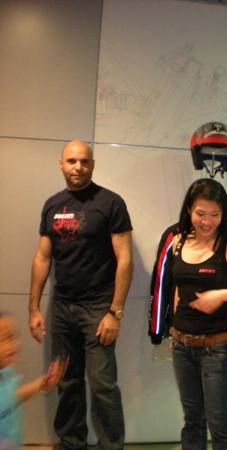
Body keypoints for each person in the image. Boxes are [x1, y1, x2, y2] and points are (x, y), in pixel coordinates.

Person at [28, 140, 133, 450]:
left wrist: (115, 312)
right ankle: (71, 443)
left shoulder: (111, 203)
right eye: (72, 161)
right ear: (61, 164)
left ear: (93, 165)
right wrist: (34, 308)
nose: (78, 167)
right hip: (62, 309)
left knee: (103, 385)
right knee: (66, 381)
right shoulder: (52, 205)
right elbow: (42, 258)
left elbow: (125, 260)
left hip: (99, 309)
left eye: (84, 161)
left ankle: (111, 446)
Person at [170, 178, 227, 450]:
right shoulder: (178, 242)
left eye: (214, 215)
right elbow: (178, 288)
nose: (207, 222)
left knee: (219, 423)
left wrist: (223, 295)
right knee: (192, 420)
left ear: (223, 214)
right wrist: (173, 328)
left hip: (216, 347)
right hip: (181, 345)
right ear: (189, 211)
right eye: (200, 213)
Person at [0, 312, 68, 449]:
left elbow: (12, 397)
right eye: (6, 338)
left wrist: (41, 384)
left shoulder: (7, 372)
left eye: (14, 337)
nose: (15, 344)